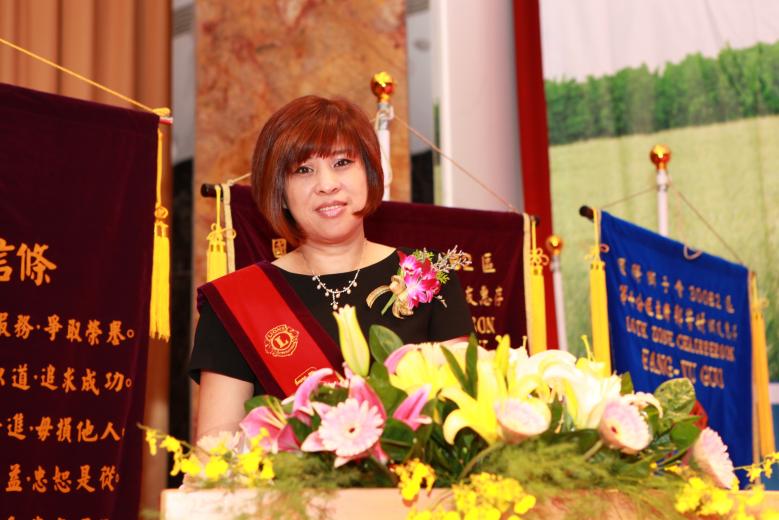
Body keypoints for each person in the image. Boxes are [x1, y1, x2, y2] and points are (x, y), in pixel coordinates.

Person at [189, 95, 473, 441]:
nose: (327, 184)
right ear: (280, 191)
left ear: (370, 173)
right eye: (303, 170)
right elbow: (214, 447)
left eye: (342, 162)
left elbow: (461, 419)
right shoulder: (237, 302)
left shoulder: (427, 277)